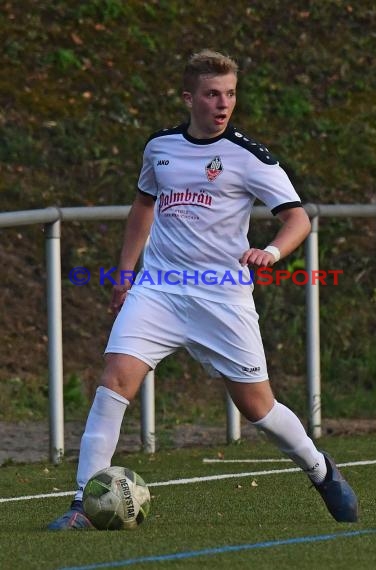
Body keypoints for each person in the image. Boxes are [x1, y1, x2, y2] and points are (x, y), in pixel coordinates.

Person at [48, 49, 358, 530]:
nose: (223, 103)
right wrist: (125, 273)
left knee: (257, 407)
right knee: (114, 382)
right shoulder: (160, 147)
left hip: (222, 296)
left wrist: (271, 253)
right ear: (189, 97)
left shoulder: (249, 157)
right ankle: (80, 505)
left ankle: (320, 471)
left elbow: (297, 220)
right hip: (160, 289)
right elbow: (142, 207)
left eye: (230, 94)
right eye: (213, 94)